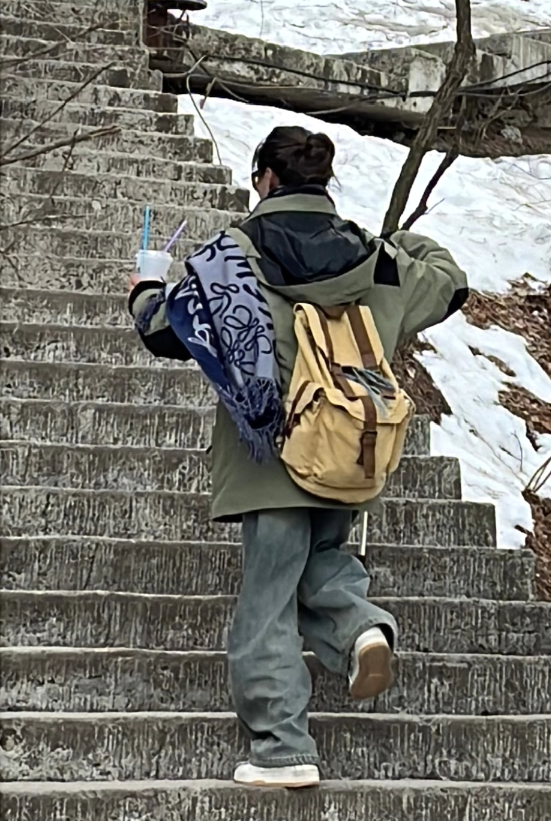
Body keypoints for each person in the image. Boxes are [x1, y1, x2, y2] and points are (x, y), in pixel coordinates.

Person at [127, 126, 469, 789]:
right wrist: (403, 240)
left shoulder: (232, 256)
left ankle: (283, 748)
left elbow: (165, 330)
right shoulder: (374, 258)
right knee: (324, 558)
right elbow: (452, 285)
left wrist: (146, 284)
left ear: (265, 177)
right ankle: (360, 628)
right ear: (323, 181)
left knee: (269, 599)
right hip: (349, 447)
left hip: (271, 456)